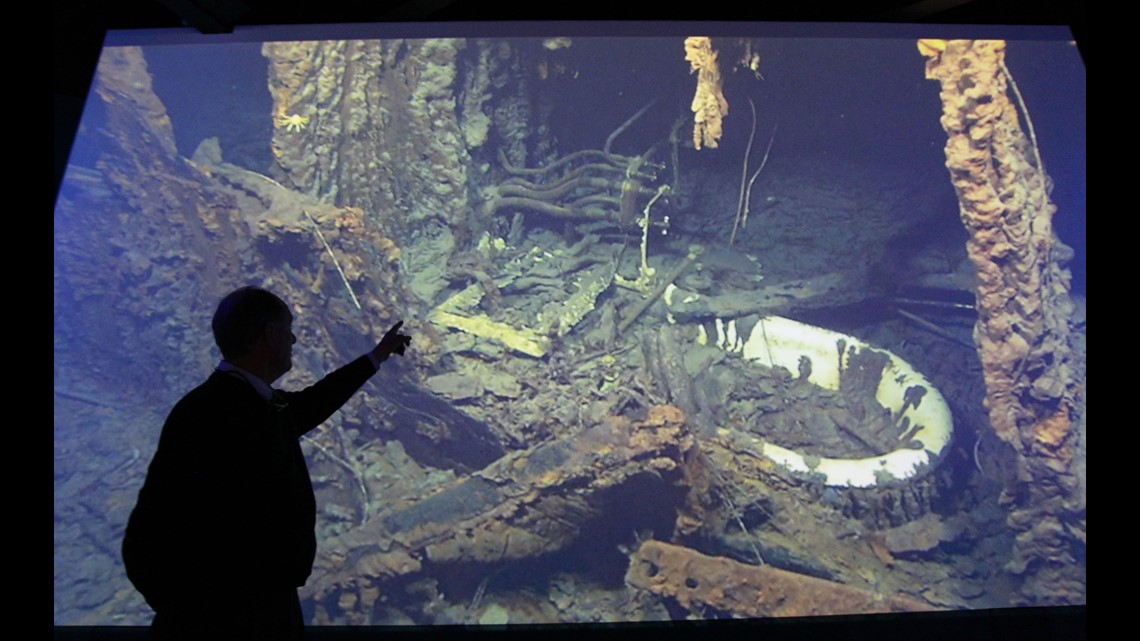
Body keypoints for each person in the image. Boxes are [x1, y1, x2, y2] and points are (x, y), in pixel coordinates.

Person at [121, 286, 411, 640]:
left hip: (259, 605)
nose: (294, 340)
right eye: (288, 329)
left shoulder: (245, 403)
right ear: (270, 336)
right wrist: (195, 611)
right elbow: (149, 534)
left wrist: (375, 357)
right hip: (234, 619)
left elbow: (310, 404)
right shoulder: (213, 413)